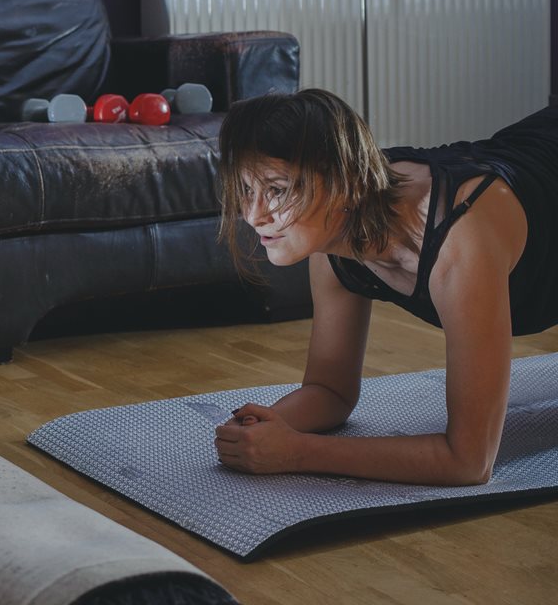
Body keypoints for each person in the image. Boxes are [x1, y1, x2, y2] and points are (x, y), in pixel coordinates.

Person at [212, 88, 558, 486]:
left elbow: (469, 461)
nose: (253, 215)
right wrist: (266, 425)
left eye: (276, 190)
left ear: (345, 182)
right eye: (245, 190)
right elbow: (330, 391)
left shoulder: (462, 236)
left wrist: (296, 451)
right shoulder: (331, 235)